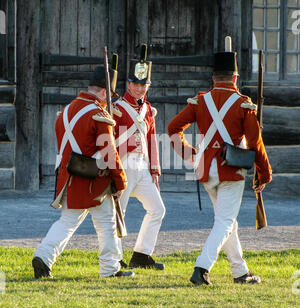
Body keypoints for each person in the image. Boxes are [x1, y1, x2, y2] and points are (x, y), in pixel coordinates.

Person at [168, 49, 272, 285]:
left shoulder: (200, 101)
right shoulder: (244, 105)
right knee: (225, 222)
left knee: (227, 222)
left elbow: (173, 128)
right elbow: (256, 143)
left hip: (206, 170)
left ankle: (240, 272)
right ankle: (201, 268)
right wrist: (264, 173)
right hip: (231, 171)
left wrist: (189, 155)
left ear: (213, 78)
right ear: (235, 78)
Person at [32, 64, 134, 279]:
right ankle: (110, 269)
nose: (110, 101)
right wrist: (121, 181)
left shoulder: (66, 111)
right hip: (93, 182)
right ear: (104, 92)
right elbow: (109, 152)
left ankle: (43, 255)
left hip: (69, 178)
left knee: (67, 222)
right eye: (110, 96)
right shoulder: (99, 114)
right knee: (107, 223)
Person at [112, 44, 166, 270]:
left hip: (142, 166)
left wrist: (155, 170)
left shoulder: (148, 110)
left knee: (157, 209)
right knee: (117, 213)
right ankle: (113, 258)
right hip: (123, 165)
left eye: (144, 85)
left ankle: (141, 255)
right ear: (128, 84)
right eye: (136, 84)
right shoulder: (116, 107)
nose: (140, 89)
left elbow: (152, 139)